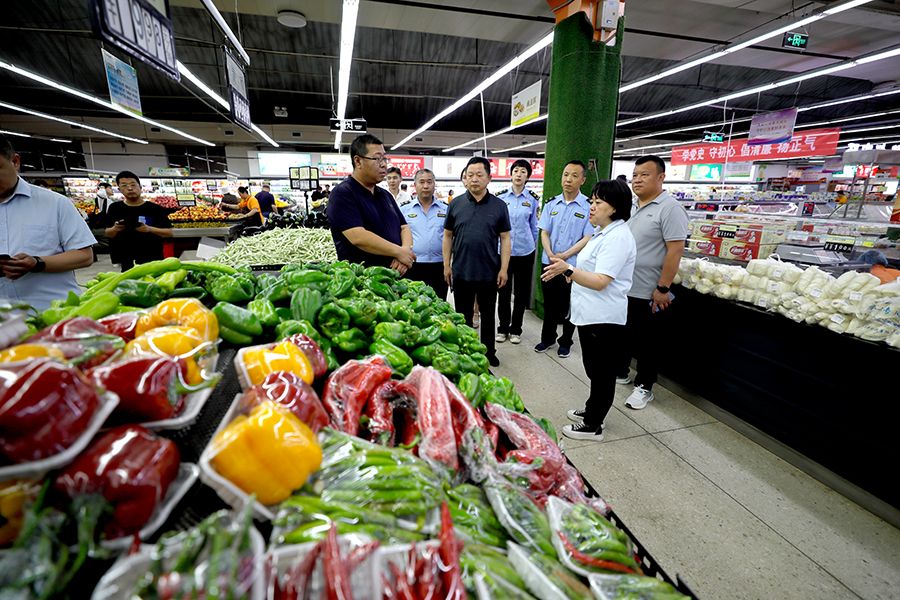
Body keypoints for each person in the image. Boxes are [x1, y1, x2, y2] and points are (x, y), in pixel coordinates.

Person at [542, 177, 636, 440]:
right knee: (594, 369)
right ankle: (593, 410)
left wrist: (569, 268)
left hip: (603, 317)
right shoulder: (602, 232)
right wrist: (573, 273)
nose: (591, 207)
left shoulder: (617, 237)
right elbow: (593, 271)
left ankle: (593, 425)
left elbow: (602, 280)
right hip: (590, 313)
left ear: (615, 207)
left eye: (598, 202)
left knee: (602, 371)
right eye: (592, 201)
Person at [617, 155, 689, 410]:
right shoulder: (632, 206)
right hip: (626, 287)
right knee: (625, 335)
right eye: (635, 174)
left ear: (661, 178)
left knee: (649, 342)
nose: (637, 179)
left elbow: (675, 251)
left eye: (644, 175)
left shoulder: (670, 208)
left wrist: (662, 289)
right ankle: (623, 372)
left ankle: (645, 386)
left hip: (651, 290)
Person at [0, 134, 95, 311]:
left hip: (54, 312)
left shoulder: (55, 203)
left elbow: (85, 255)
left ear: (15, 161)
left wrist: (37, 263)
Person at [443, 156, 511, 367]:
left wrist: (504, 269)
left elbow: (505, 238)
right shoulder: (455, 204)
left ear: (489, 178)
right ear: (464, 178)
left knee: (488, 315)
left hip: (489, 272)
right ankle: (465, 352)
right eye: (469, 175)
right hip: (461, 271)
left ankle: (489, 352)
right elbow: (447, 236)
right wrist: (446, 265)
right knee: (462, 317)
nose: (474, 179)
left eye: (479, 175)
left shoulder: (499, 206)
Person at [326, 134, 415, 272]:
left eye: (385, 158)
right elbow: (358, 237)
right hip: (361, 283)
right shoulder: (343, 193)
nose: (384, 164)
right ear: (358, 161)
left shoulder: (385, 195)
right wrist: (399, 252)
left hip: (392, 278)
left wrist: (404, 253)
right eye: (377, 158)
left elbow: (404, 228)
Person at [535, 160, 595, 358]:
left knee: (570, 305)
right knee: (550, 302)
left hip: (572, 266)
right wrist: (551, 254)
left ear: (583, 180)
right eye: (566, 174)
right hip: (550, 262)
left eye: (574, 175)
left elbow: (588, 237)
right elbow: (544, 232)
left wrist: (565, 256)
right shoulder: (551, 203)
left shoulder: (588, 206)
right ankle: (547, 338)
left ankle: (566, 342)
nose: (568, 179)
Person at [496, 159, 540, 345]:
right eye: (516, 170)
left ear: (528, 177)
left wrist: (529, 243)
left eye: (523, 171)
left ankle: (516, 330)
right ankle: (503, 329)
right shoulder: (500, 198)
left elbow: (534, 227)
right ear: (511, 174)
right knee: (503, 291)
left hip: (524, 252)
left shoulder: (532, 199)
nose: (519, 174)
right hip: (502, 253)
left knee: (521, 294)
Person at [105, 170, 173, 272]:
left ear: (140, 188)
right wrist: (115, 229)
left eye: (133, 184)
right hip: (127, 260)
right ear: (119, 189)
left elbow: (169, 233)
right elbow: (108, 233)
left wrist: (149, 229)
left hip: (154, 259)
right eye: (124, 185)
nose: (129, 188)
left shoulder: (155, 209)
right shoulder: (115, 208)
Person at [403, 168, 448, 299]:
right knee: (412, 304)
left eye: (429, 182)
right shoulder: (404, 209)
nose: (426, 186)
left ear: (434, 184)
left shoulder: (446, 209)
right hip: (413, 266)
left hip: (439, 265)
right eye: (421, 182)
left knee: (439, 303)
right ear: (415, 185)